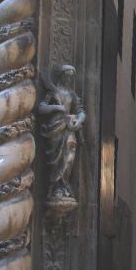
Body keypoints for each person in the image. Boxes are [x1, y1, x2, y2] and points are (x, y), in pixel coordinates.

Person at [37, 64, 85, 206]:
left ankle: (64, 185)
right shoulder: (54, 92)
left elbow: (81, 111)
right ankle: (56, 188)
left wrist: (78, 121)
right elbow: (41, 108)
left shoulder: (72, 95)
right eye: (67, 76)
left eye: (71, 77)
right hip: (55, 128)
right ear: (61, 76)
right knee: (56, 158)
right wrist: (57, 107)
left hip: (69, 129)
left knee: (69, 158)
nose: (69, 79)